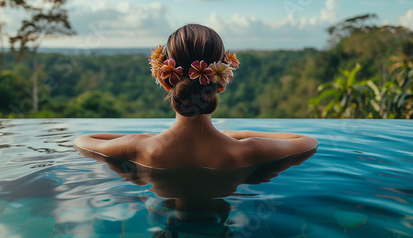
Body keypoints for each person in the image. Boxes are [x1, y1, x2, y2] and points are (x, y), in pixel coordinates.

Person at [75, 24, 318, 169]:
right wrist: (240, 135)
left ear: (164, 79)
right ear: (222, 81)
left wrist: (144, 138)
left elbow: (83, 140)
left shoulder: (142, 148)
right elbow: (308, 141)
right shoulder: (247, 151)